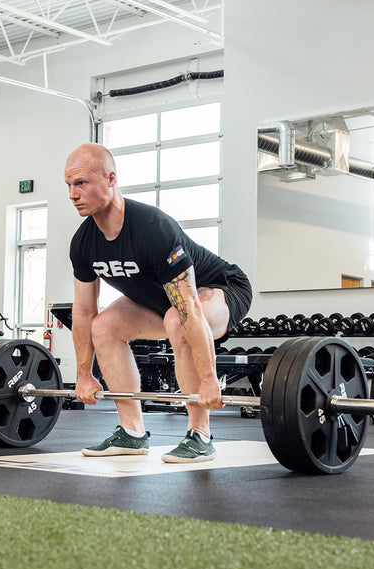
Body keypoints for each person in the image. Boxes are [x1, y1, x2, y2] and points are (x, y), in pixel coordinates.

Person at [66, 143, 253, 463]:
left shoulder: (153, 229)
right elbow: (83, 311)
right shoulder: (83, 244)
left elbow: (190, 308)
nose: (73, 194)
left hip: (220, 288)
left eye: (81, 183)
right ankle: (132, 432)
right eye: (69, 185)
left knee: (177, 320)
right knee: (104, 326)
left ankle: (201, 434)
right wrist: (84, 373)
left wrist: (210, 380)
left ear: (111, 179)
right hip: (161, 301)